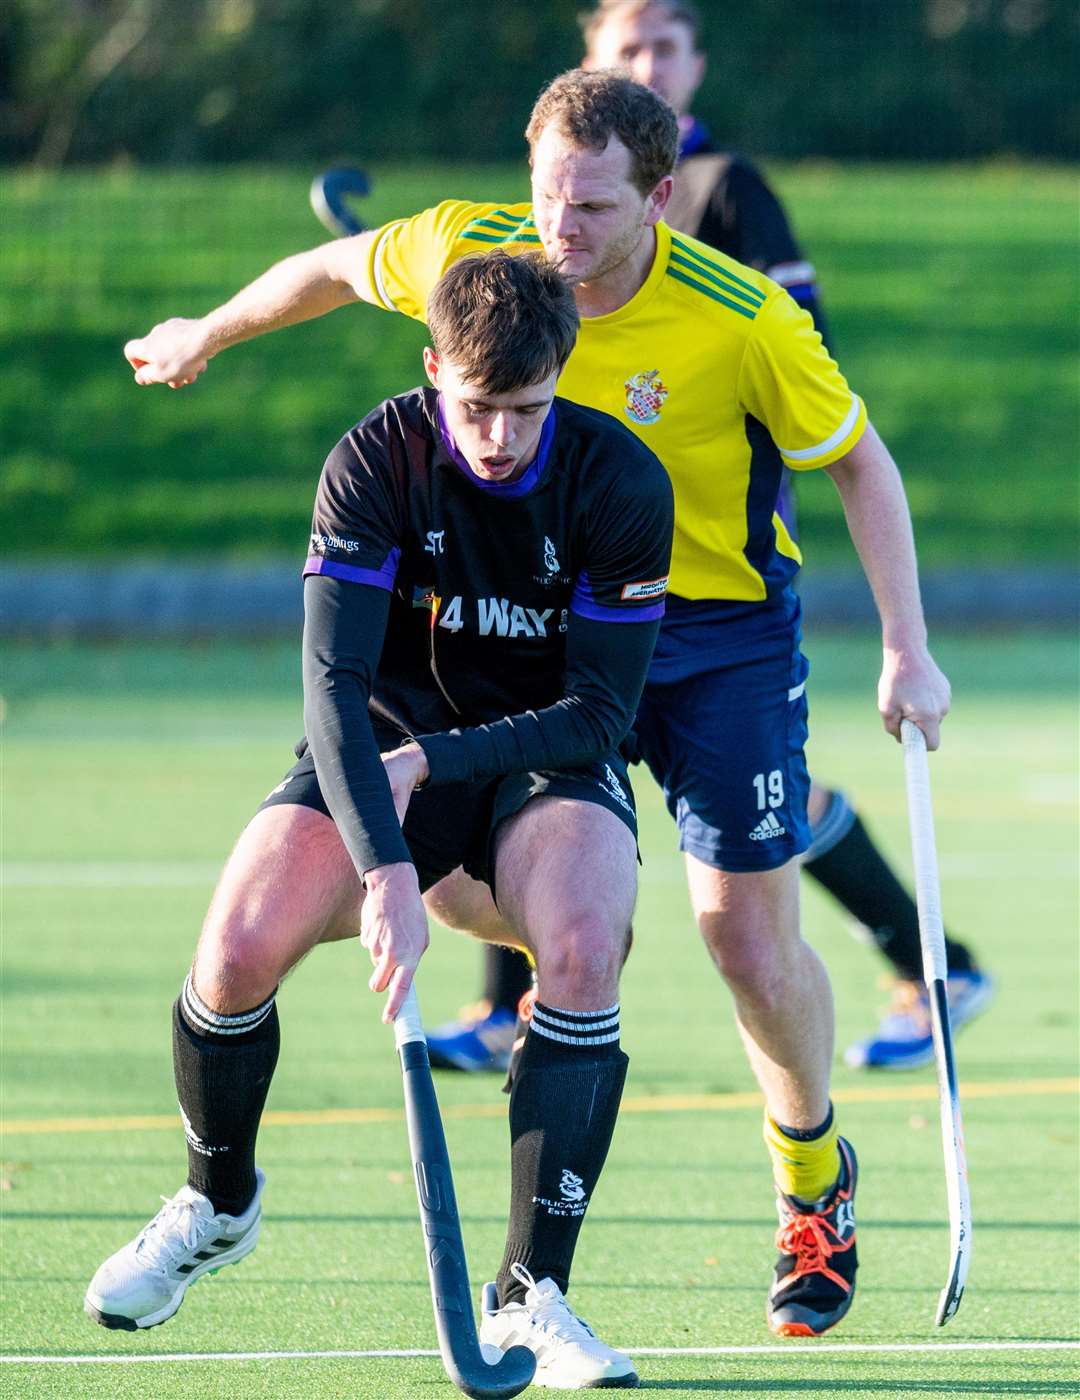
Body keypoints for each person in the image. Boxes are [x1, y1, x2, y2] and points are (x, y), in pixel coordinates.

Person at [116, 70, 952, 1338]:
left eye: (593, 207)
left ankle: (810, 1179)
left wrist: (907, 645)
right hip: (542, 632)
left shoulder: (743, 320)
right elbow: (337, 267)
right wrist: (207, 334)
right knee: (498, 898)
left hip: (713, 631)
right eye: (547, 194)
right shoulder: (477, 252)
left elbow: (858, 460)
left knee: (742, 935)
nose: (557, 228)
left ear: (662, 199)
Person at [86, 251, 675, 1391]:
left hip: (538, 761)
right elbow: (331, 685)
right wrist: (389, 868)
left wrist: (437, 767)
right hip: (374, 739)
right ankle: (217, 1199)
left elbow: (599, 712)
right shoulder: (374, 460)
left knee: (588, 940)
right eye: (476, 407)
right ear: (428, 370)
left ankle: (532, 1292)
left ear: (565, 374)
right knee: (237, 944)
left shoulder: (618, 480)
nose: (500, 438)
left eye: (526, 409)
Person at [427, 0, 992, 1077]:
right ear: (587, 62)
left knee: (752, 892)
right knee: (509, 829)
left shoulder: (729, 201)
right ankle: (514, 1000)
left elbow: (816, 384)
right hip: (573, 602)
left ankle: (925, 971)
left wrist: (903, 640)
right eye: (627, 48)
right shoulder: (522, 230)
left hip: (715, 588)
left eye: (666, 47)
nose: (649, 64)